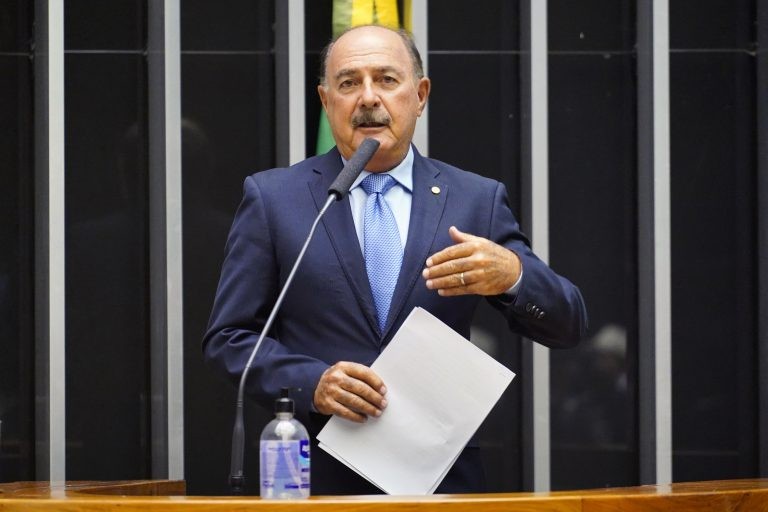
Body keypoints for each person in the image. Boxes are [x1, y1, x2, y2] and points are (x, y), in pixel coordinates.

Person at [203, 24, 588, 494]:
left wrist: (513, 275)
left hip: (442, 480)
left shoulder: (475, 199)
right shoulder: (275, 199)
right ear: (326, 102)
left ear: (420, 95)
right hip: (317, 480)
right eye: (348, 83)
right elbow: (230, 337)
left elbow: (568, 323)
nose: (368, 98)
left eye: (387, 80)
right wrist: (312, 382)